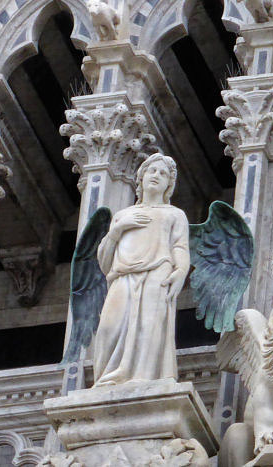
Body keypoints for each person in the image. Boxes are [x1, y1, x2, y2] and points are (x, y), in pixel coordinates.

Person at [93, 153, 190, 385]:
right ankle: (106, 377)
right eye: (152, 171)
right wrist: (117, 230)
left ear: (169, 184)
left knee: (149, 327)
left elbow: (180, 246)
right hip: (122, 277)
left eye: (163, 174)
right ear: (141, 177)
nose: (156, 176)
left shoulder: (175, 215)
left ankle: (143, 378)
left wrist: (181, 270)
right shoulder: (123, 215)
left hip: (157, 274)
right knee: (108, 328)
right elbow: (105, 261)